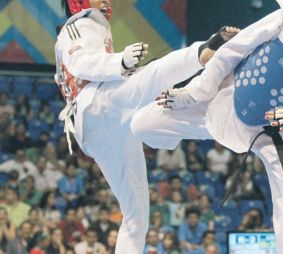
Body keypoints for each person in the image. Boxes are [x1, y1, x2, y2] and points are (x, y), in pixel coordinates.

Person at [130, 0, 283, 252]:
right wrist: (193, 92)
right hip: (227, 100)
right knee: (142, 124)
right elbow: (233, 49)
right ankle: (176, 134)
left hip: (278, 134)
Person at [56, 0, 238, 253]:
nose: (106, 1)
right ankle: (207, 50)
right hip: (94, 105)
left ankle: (210, 112)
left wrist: (119, 64)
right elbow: (81, 61)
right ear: (77, 2)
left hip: (101, 131)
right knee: (153, 74)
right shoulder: (78, 24)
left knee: (135, 215)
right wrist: (119, 62)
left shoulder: (95, 27)